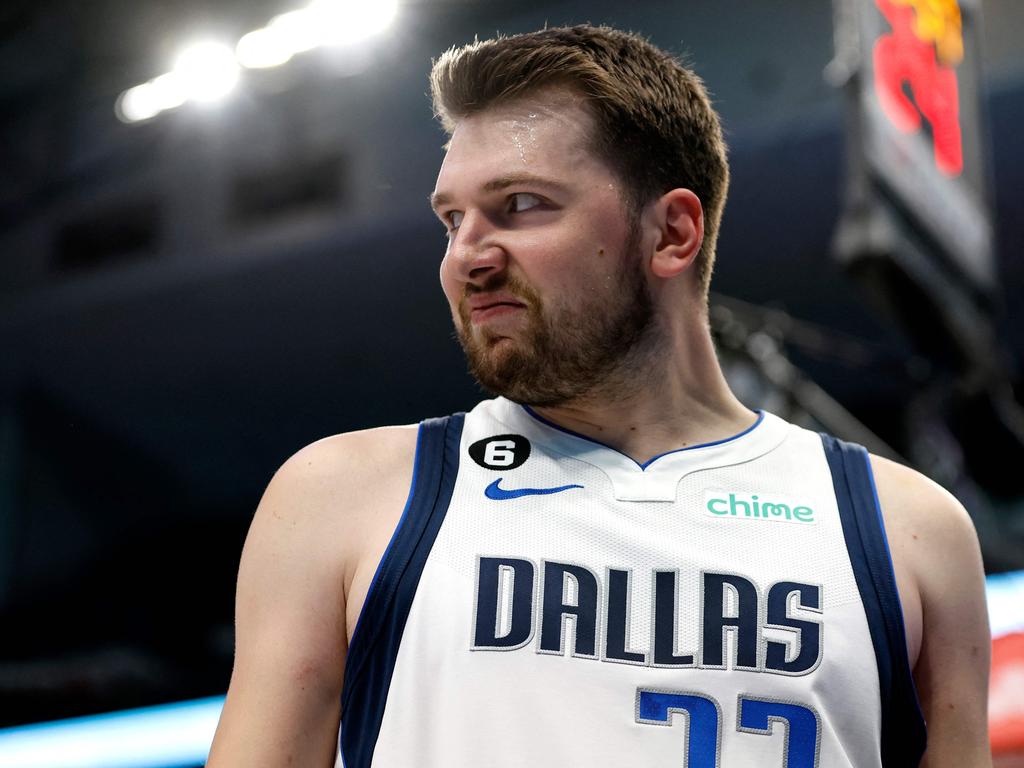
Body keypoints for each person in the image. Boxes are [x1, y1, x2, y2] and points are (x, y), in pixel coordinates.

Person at [206, 24, 992, 768]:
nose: (467, 257)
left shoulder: (909, 533)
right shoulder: (343, 497)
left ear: (672, 234)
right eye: (452, 221)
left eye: (519, 206)